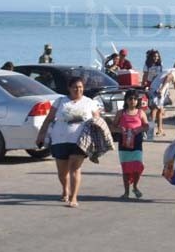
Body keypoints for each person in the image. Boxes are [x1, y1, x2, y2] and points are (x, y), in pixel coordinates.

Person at [36, 77, 100, 208]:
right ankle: (65, 189)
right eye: (75, 87)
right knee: (62, 171)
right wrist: (41, 134)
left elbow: (98, 120)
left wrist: (99, 136)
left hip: (80, 141)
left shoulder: (90, 102)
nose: (78, 90)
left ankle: (74, 197)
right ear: (69, 88)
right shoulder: (60, 102)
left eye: (81, 87)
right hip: (59, 139)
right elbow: (49, 119)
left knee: (75, 169)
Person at [114, 90, 149, 199]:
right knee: (126, 169)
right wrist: (121, 130)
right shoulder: (121, 113)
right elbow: (113, 126)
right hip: (124, 144)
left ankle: (135, 186)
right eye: (130, 99)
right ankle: (126, 192)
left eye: (134, 99)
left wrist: (138, 130)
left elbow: (147, 126)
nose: (132, 101)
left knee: (138, 166)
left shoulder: (141, 113)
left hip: (137, 143)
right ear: (126, 100)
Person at [148, 68, 175, 136]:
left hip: (155, 87)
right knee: (154, 110)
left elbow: (157, 77)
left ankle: (160, 129)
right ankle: (150, 131)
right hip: (158, 89)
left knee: (160, 110)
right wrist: (162, 88)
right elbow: (168, 77)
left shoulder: (169, 70)